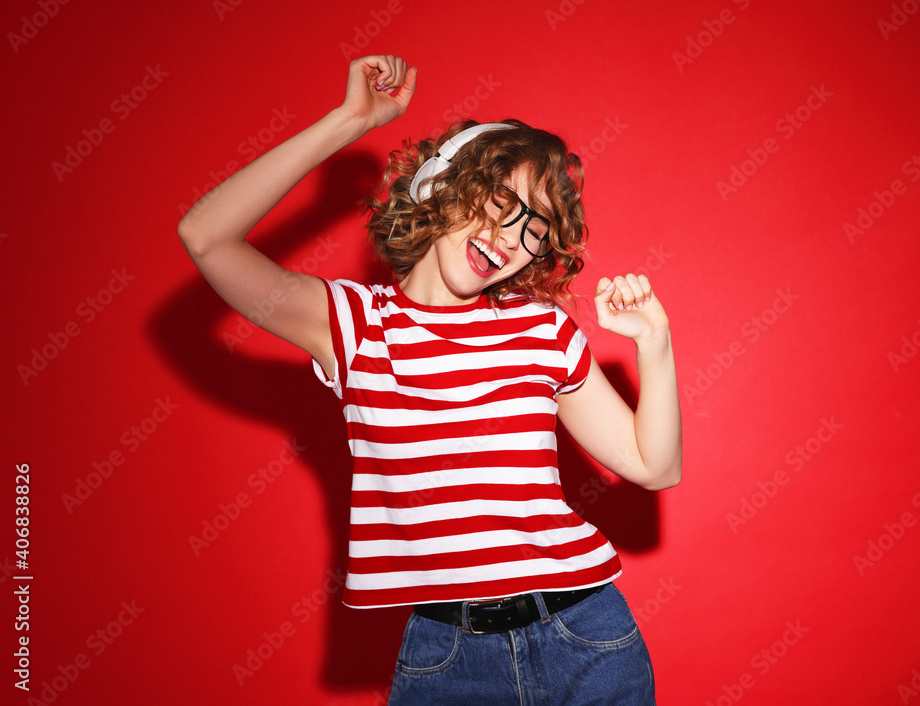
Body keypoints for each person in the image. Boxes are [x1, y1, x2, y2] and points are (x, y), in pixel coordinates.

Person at [178, 54, 682, 705]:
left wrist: (655, 343)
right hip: (449, 658)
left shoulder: (541, 331)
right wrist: (347, 122)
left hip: (585, 635)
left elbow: (654, 467)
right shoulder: (353, 326)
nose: (512, 237)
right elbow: (205, 237)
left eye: (535, 228)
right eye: (502, 202)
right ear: (443, 185)